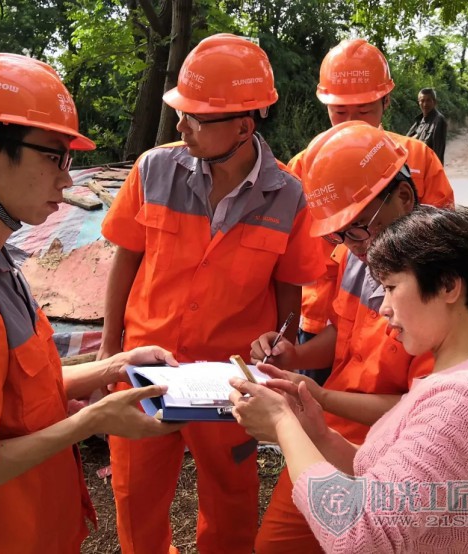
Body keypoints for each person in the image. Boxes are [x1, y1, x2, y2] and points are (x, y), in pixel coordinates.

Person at [0, 53, 183, 554]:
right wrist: (91, 421)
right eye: (53, 157)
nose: (66, 179)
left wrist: (114, 365)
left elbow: (15, 394)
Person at [98, 34, 324, 554]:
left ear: (244, 127)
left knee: (231, 501)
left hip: (231, 383)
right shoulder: (154, 169)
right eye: (181, 114)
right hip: (147, 369)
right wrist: (112, 351)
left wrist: (279, 348)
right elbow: (125, 259)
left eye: (195, 117)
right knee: (135, 495)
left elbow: (289, 294)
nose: (181, 127)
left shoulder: (288, 195)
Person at [250, 121, 468, 554]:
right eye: (338, 233)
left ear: (405, 197)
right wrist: (296, 357)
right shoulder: (362, 256)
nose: (350, 245)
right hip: (334, 436)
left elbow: (366, 532)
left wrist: (295, 415)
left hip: (383, 446)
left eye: (358, 227)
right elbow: (346, 332)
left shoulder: (460, 379)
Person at [288, 39, 454, 386]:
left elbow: (442, 250)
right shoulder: (305, 165)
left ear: (386, 100)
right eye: (339, 112)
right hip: (321, 322)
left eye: (363, 111)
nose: (350, 122)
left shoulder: (417, 159)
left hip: (391, 323)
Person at [407, 88, 447, 163]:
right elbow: (406, 140)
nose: (425, 104)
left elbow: (438, 152)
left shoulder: (439, 121)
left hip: (428, 168)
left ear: (434, 102)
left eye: (428, 100)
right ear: (418, 102)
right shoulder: (420, 120)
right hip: (416, 166)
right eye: (422, 101)